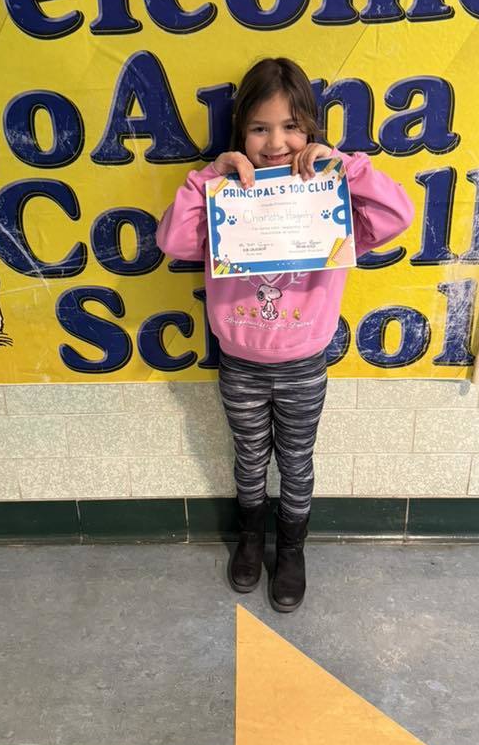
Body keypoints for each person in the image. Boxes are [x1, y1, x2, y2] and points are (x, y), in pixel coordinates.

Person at [156, 57, 414, 612]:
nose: (276, 141)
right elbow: (175, 242)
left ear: (311, 131)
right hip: (240, 361)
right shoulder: (222, 193)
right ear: (241, 133)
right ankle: (251, 537)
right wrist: (207, 178)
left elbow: (396, 216)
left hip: (303, 361)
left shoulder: (329, 194)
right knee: (249, 458)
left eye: (291, 126)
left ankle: (292, 549)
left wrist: (347, 167)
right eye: (259, 128)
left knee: (296, 460)